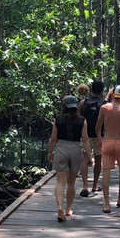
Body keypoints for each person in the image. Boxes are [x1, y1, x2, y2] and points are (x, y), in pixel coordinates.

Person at [47, 94, 92, 222]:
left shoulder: (58, 119)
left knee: (60, 182)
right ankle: (67, 209)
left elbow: (53, 138)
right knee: (71, 182)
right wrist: (90, 156)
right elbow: (85, 140)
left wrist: (50, 151)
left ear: (64, 106)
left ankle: (59, 207)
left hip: (61, 148)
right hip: (75, 150)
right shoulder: (82, 120)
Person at [95, 84, 120, 213]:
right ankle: (119, 198)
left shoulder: (104, 108)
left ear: (112, 95)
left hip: (107, 142)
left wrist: (100, 139)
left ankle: (107, 204)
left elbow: (98, 127)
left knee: (106, 172)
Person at [80, 81, 106, 196]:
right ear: (102, 91)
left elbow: (78, 118)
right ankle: (95, 185)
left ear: (91, 89)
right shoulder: (104, 104)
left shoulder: (83, 102)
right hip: (99, 135)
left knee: (85, 159)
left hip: (85, 135)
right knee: (98, 159)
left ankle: (85, 185)